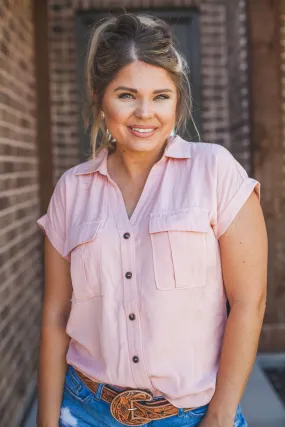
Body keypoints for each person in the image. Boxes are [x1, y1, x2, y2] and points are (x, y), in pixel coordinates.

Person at [36, 12, 267, 427]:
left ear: (177, 100)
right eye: (126, 95)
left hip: (193, 415)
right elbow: (56, 312)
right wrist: (47, 419)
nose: (145, 112)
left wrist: (218, 417)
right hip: (85, 410)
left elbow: (249, 303)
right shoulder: (71, 190)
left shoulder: (216, 173)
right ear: (98, 97)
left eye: (161, 96)